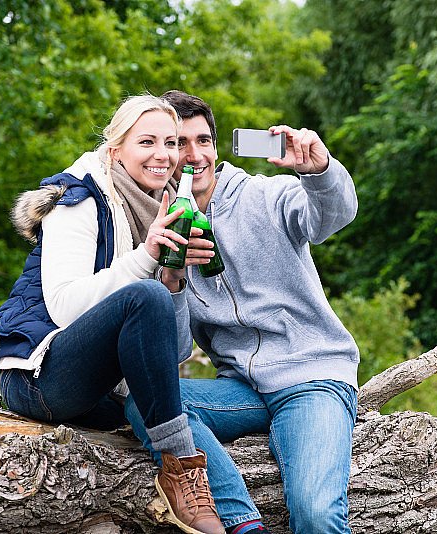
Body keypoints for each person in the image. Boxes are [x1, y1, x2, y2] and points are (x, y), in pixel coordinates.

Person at [0, 94, 226, 534]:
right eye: (147, 141)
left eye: (171, 143)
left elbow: (172, 353)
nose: (164, 155)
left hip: (103, 397)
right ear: (116, 149)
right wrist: (146, 257)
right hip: (38, 379)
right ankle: (182, 473)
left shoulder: (169, 206)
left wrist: (173, 279)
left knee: (154, 302)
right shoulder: (76, 198)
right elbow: (64, 307)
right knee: (144, 297)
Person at [125, 90, 360, 534]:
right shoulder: (161, 225)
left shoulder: (265, 196)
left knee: (315, 511)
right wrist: (172, 283)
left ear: (216, 145)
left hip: (311, 378)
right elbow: (175, 354)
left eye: (204, 141)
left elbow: (332, 216)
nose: (193, 156)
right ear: (163, 153)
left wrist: (321, 173)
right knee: (148, 401)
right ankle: (242, 523)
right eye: (179, 143)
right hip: (241, 391)